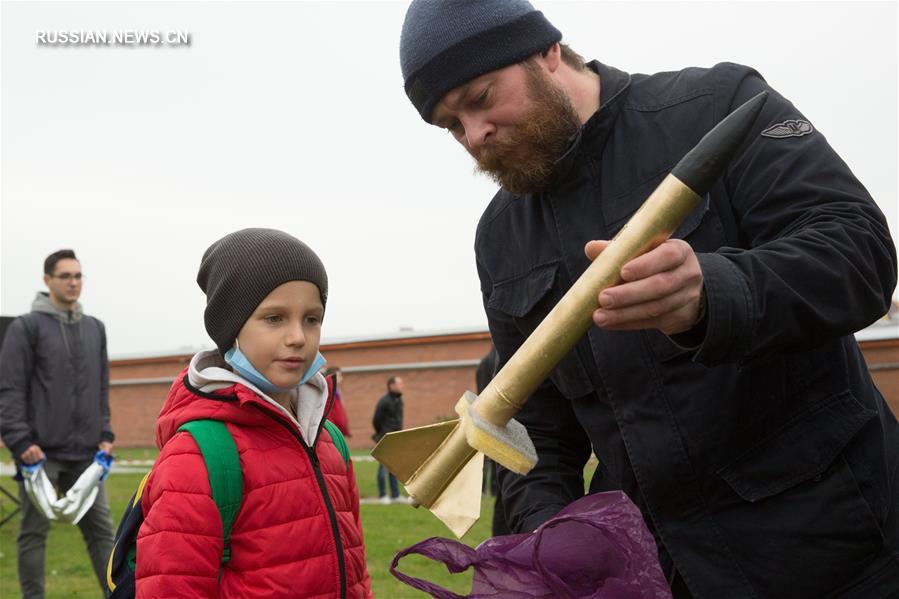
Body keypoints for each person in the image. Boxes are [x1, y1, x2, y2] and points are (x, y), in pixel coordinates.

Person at [399, 1, 899, 597]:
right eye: (452, 127)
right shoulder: (500, 238)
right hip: (665, 574)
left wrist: (713, 294)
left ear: (546, 52)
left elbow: (858, 250)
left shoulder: (718, 104)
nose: (474, 135)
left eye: (481, 98)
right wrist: (545, 536)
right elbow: (536, 425)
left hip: (841, 553)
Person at [135, 229, 371, 597]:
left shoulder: (330, 442)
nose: (298, 337)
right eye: (274, 318)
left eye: (312, 318)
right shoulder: (200, 455)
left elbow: (355, 574)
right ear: (231, 327)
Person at [0, 249, 115, 599]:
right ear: (47, 280)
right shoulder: (26, 328)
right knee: (33, 534)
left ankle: (118, 594)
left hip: (87, 455)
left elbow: (101, 388)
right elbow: (10, 389)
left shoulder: (95, 328)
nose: (73, 282)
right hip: (40, 454)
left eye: (78, 276)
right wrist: (20, 442)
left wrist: (106, 434)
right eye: (65, 276)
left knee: (103, 533)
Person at [372, 376, 406, 504]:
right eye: (399, 383)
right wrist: (382, 434)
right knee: (383, 467)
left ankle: (395, 495)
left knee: (393, 468)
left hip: (396, 438)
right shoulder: (384, 401)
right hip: (385, 437)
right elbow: (376, 420)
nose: (402, 386)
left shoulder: (399, 400)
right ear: (391, 385)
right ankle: (382, 495)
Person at [323, 366, 351, 437]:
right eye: (339, 375)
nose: (341, 378)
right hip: (333, 432)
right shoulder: (328, 394)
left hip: (338, 431)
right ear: (332, 377)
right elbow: (328, 414)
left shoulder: (336, 392)